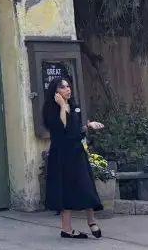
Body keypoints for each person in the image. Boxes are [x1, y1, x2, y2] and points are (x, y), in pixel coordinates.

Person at [42, 77, 106, 239]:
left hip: (77, 152)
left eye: (68, 86)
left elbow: (76, 130)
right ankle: (67, 228)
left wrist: (89, 126)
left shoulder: (75, 107)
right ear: (55, 92)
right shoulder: (50, 110)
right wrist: (62, 107)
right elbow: (62, 129)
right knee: (66, 188)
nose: (67, 89)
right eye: (63, 87)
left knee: (85, 184)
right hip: (61, 154)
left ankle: (91, 221)